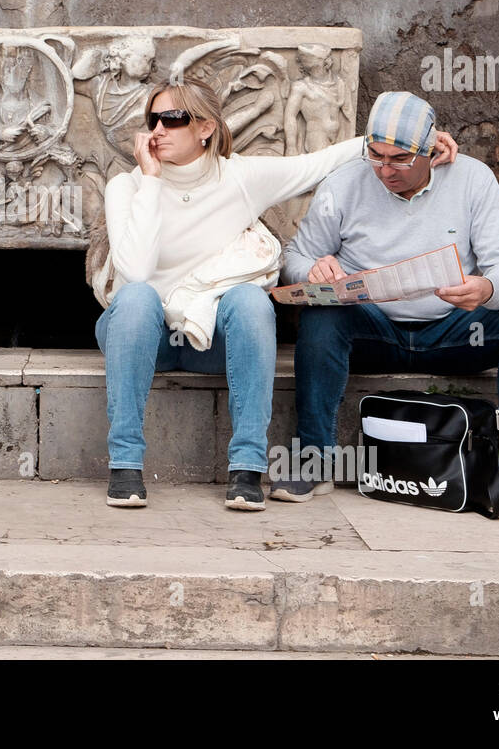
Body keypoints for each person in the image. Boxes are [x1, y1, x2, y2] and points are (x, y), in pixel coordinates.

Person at [91, 81, 458, 511]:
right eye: (153, 119)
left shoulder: (241, 177)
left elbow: (316, 164)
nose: (158, 130)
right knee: (136, 300)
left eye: (173, 119)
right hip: (140, 339)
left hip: (211, 339)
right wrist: (151, 183)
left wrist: (412, 140)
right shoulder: (127, 186)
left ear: (206, 127)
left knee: (249, 299)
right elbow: (134, 271)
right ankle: (126, 465)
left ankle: (246, 468)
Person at [274, 91, 499, 512]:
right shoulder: (344, 182)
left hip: (456, 331)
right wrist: (313, 271)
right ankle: (315, 461)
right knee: (323, 321)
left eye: (399, 160)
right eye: (376, 156)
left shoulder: (472, 179)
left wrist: (486, 288)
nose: (385, 170)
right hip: (374, 333)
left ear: (431, 149)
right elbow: (293, 259)